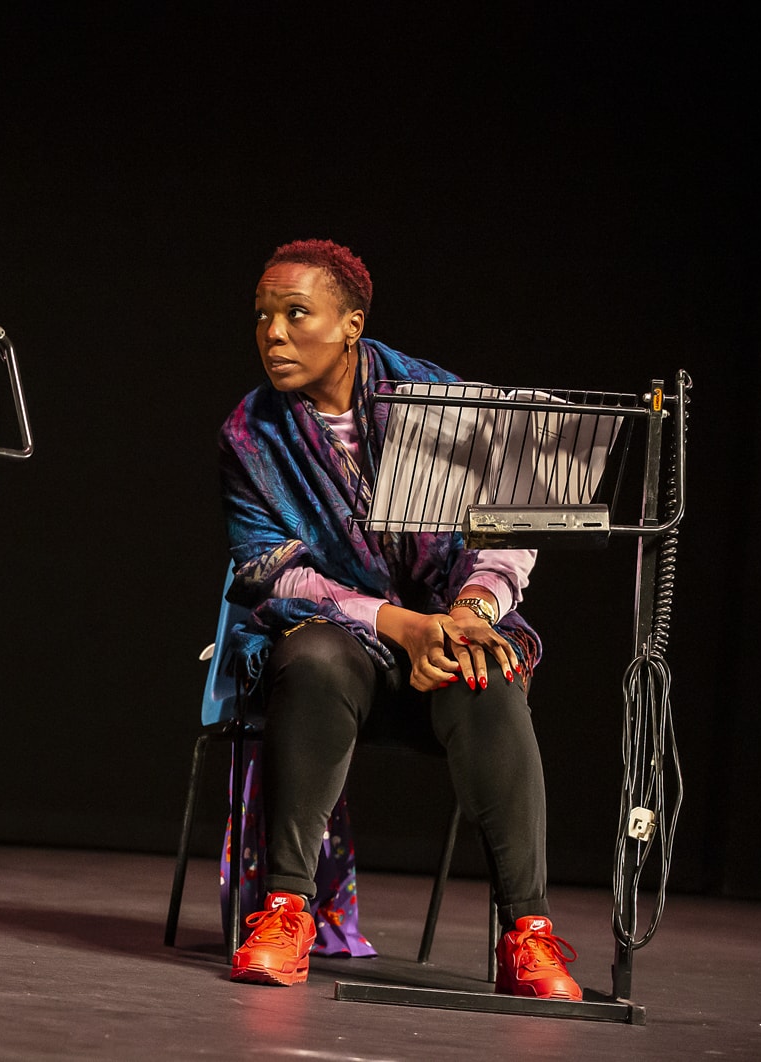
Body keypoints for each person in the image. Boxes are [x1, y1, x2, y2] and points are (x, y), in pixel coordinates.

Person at [217, 239, 581, 999]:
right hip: (340, 657)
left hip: (448, 636)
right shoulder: (250, 434)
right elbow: (272, 571)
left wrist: (468, 615)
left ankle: (529, 934)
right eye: (262, 316)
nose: (272, 333)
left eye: (295, 314)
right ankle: (285, 911)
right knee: (311, 657)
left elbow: (505, 525)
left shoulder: (438, 402)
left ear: (351, 324)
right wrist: (396, 623)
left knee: (488, 671)